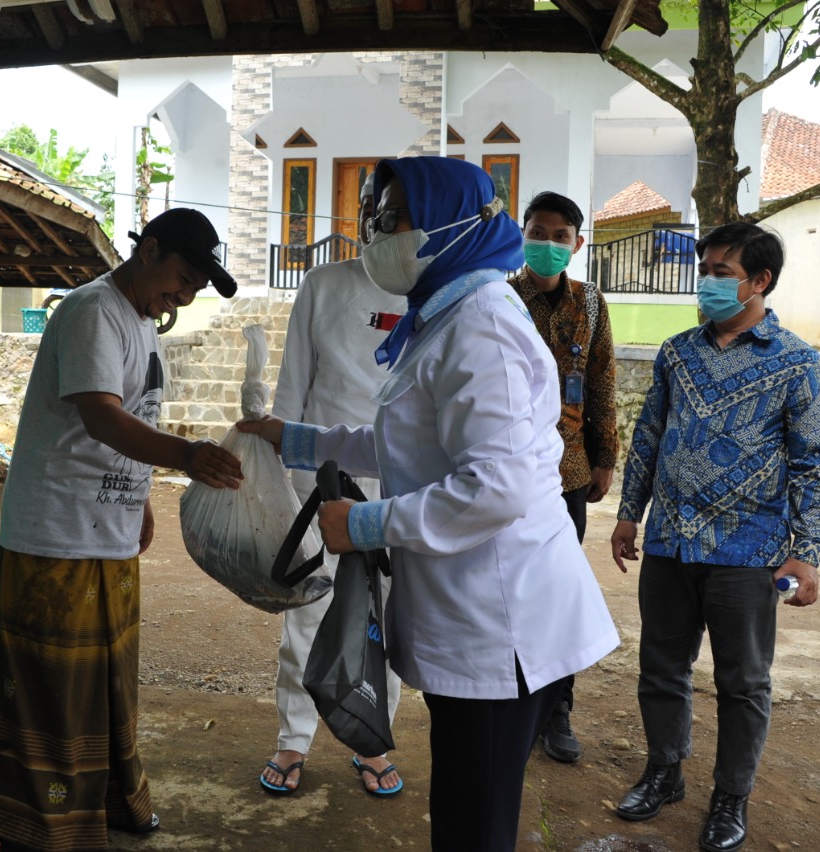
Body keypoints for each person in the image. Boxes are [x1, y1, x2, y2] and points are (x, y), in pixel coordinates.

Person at [240, 156, 619, 852]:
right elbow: (407, 443)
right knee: (464, 812)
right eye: (373, 219)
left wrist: (361, 523)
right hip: (470, 607)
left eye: (391, 218)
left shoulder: (484, 329)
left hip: (501, 624)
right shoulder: (446, 315)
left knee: (473, 823)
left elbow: (494, 487)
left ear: (448, 223)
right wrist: (294, 438)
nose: (376, 234)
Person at [0, 208, 244, 852]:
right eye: (183, 276)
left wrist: (138, 496)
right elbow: (101, 418)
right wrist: (187, 457)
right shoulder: (93, 311)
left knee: (102, 686)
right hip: (56, 532)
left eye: (197, 285)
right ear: (150, 251)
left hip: (105, 531)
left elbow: (126, 427)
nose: (186, 293)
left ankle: (97, 805)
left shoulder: (143, 324)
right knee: (43, 690)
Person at [610, 222, 820, 852]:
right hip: (670, 542)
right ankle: (665, 771)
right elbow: (650, 434)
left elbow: (817, 462)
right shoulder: (678, 351)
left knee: (743, 681)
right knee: (661, 667)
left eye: (721, 272)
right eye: (704, 269)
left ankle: (730, 796)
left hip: (749, 551)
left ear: (759, 281)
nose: (706, 282)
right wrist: (629, 513)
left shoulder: (798, 363)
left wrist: (806, 552)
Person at [259, 172, 410, 797]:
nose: (383, 219)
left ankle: (370, 737)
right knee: (310, 615)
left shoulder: (433, 298)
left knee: (389, 618)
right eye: (375, 206)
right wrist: (291, 481)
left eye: (398, 211)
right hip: (322, 483)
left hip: (403, 483)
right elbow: (293, 387)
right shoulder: (323, 286)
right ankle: (293, 739)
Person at [507, 191, 618, 764]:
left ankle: (558, 712)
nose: (547, 244)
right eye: (537, 232)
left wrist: (604, 459)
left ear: (577, 244)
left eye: (559, 235)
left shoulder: (592, 305)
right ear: (521, 234)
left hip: (568, 473)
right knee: (504, 589)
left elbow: (600, 384)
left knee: (558, 593)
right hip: (504, 470)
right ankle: (508, 703)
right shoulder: (498, 297)